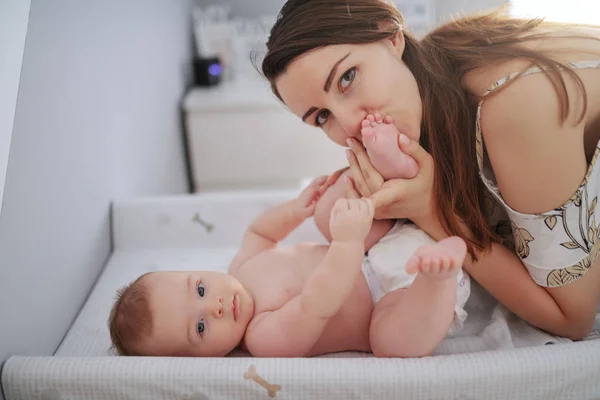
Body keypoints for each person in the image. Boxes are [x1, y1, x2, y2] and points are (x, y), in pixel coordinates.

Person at [261, 0, 600, 340]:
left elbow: (571, 319)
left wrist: (432, 213)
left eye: (348, 78)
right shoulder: (439, 72)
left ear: (391, 37)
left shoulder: (513, 104)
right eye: (322, 117)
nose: (349, 124)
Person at [108, 175, 469, 358]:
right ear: (203, 358)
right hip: (394, 299)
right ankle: (440, 277)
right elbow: (317, 305)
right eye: (201, 327)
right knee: (390, 343)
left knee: (329, 209)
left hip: (378, 248)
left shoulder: (241, 267)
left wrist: (297, 210)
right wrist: (345, 242)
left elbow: (260, 231)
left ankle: (386, 168)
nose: (214, 306)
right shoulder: (263, 339)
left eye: (200, 289)